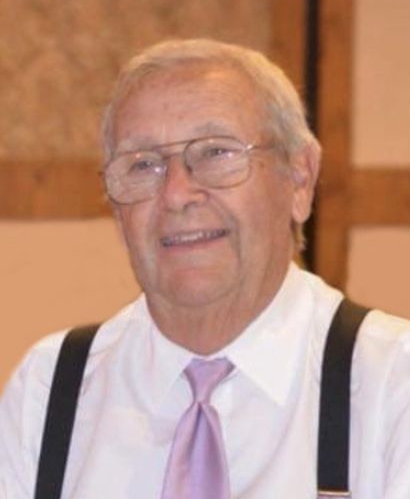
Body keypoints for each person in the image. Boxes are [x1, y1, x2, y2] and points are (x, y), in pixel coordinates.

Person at [1, 38, 410, 499]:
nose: (177, 194)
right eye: (143, 165)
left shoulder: (392, 384)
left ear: (300, 179)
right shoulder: (49, 391)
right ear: (116, 209)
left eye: (216, 153)